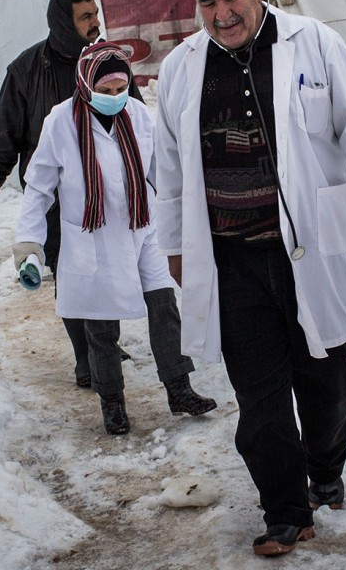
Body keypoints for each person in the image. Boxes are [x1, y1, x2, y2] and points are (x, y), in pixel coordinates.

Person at [153, 0, 346, 556]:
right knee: (260, 398)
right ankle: (284, 510)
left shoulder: (314, 43)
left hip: (310, 253)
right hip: (231, 261)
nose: (220, 13)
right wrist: (173, 245)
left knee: (326, 378)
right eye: (206, 2)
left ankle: (325, 467)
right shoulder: (180, 69)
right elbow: (168, 170)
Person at [13, 43, 217, 435]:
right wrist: (29, 244)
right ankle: (112, 403)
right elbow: (38, 188)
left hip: (143, 228)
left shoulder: (139, 116)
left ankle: (179, 389)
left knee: (164, 307)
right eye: (105, 90)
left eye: (121, 88)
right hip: (92, 237)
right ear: (86, 84)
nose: (114, 98)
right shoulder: (61, 122)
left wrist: (188, 221)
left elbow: (164, 175)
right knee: (101, 328)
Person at [0, 0, 139, 388]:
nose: (95, 22)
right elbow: (5, 132)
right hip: (54, 198)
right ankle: (86, 359)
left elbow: (136, 119)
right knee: (70, 273)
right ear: (63, 21)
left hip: (104, 191)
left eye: (95, 13)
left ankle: (102, 345)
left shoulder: (107, 61)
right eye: (85, 16)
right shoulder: (27, 69)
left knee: (105, 268)